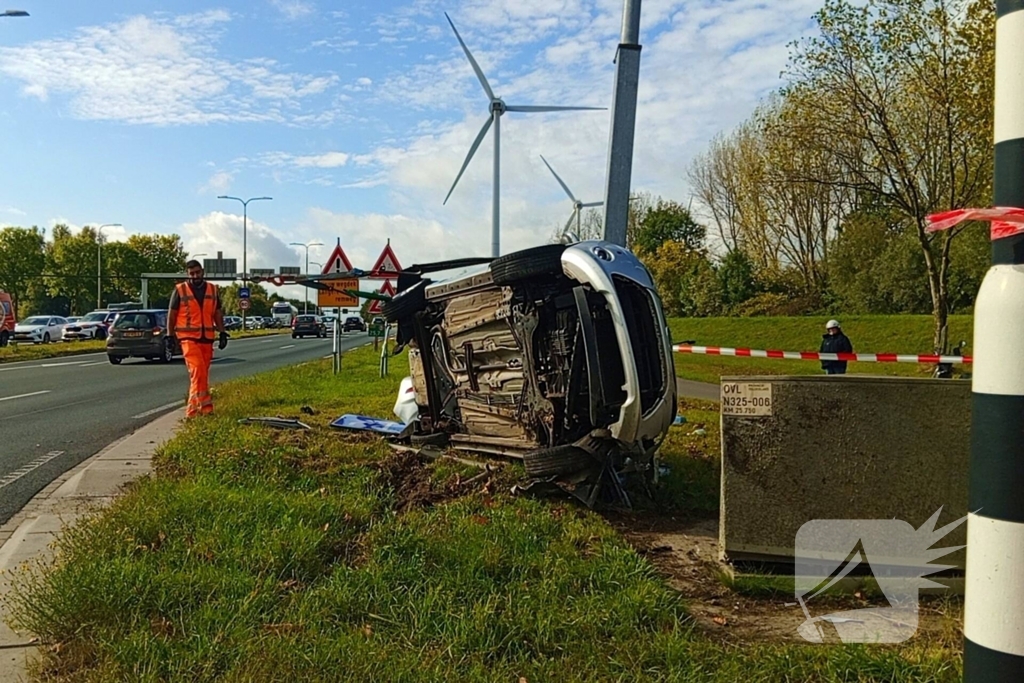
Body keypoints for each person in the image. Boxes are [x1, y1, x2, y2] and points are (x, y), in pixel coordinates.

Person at [167, 260, 228, 417]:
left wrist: (222, 332)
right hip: (188, 338)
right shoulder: (180, 290)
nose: (195, 276)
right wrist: (169, 335)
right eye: (192, 273)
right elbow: (172, 314)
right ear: (187, 274)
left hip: (207, 338)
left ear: (203, 271)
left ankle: (195, 411)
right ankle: (203, 411)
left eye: (198, 272)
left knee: (200, 376)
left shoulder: (213, 290)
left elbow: (217, 312)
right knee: (198, 370)